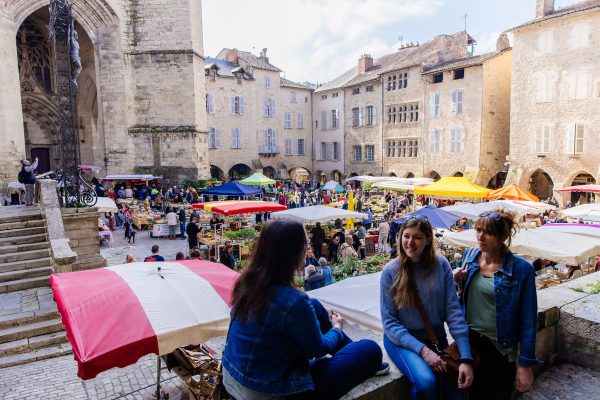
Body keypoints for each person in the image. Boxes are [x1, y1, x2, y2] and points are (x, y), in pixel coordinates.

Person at [222, 220, 387, 400]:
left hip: (234, 379)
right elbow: (318, 349)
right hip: (272, 391)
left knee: (314, 304)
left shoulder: (246, 284)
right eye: (306, 244)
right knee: (370, 350)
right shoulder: (293, 301)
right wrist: (337, 329)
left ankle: (351, 352)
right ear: (294, 252)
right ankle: (357, 356)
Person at [380, 217, 474, 400]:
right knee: (426, 383)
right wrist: (424, 351)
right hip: (402, 340)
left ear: (428, 239)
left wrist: (466, 357)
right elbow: (389, 323)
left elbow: (453, 312)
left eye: (417, 237)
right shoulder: (390, 272)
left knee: (456, 394)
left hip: (435, 338)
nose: (410, 242)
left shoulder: (442, 265)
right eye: (406, 236)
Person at [454, 210, 541, 399]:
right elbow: (464, 301)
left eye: (488, 232)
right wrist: (458, 281)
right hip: (469, 343)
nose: (480, 237)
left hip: (499, 349)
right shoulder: (469, 256)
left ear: (502, 236)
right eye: (478, 230)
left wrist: (525, 365)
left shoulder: (521, 269)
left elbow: (528, 320)